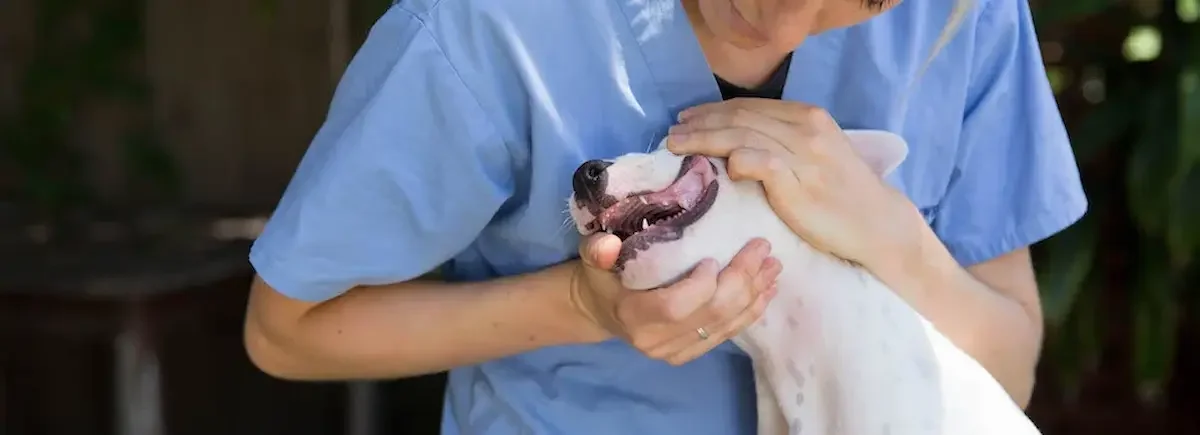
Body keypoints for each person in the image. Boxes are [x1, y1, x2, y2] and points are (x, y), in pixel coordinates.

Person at [242, 0, 1087, 433]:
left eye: (859, 1)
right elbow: (286, 330)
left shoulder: (961, 20)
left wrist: (883, 227)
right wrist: (578, 305)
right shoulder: (495, 28)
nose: (775, 19)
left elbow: (1006, 373)